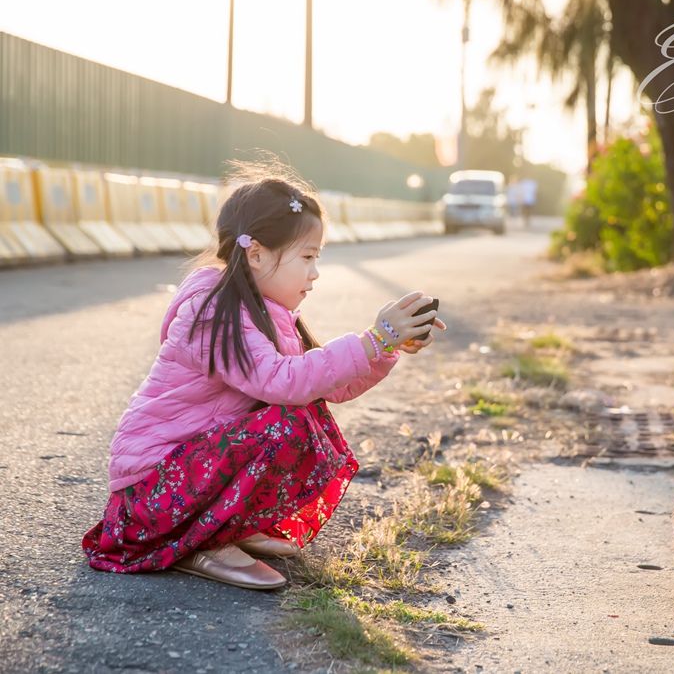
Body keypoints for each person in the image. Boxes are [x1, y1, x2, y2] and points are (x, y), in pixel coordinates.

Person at [81, 169, 444, 590]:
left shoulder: (269, 312)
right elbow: (284, 383)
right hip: (151, 495)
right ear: (255, 255)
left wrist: (386, 347)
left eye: (316, 259)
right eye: (307, 257)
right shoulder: (211, 311)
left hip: (184, 477)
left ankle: (223, 524)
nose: (315, 273)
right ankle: (201, 541)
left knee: (307, 410)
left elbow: (331, 385)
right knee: (288, 421)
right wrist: (374, 338)